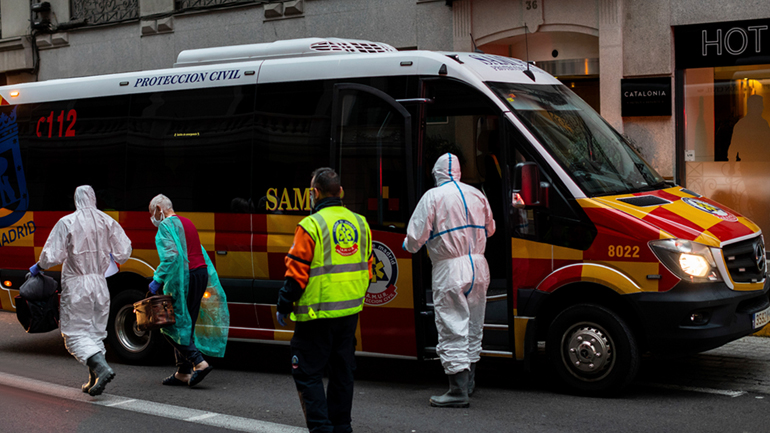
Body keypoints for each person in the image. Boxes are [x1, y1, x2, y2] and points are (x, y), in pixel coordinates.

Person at [276, 167, 373, 433]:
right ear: (340, 192)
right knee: (342, 373)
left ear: (315, 193)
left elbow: (296, 274)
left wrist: (284, 305)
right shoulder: (361, 223)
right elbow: (368, 268)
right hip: (349, 313)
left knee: (307, 374)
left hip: (317, 316)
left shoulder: (311, 225)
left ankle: (321, 430)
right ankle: (342, 427)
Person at [403, 153, 495, 408]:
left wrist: (409, 243)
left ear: (437, 174)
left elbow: (414, 240)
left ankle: (457, 391)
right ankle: (470, 383)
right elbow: (491, 229)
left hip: (450, 268)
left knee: (452, 325)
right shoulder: (477, 194)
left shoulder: (433, 196)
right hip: (478, 265)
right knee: (474, 324)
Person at [29, 185, 132, 396]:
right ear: (94, 198)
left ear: (76, 199)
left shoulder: (67, 222)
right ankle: (94, 378)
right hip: (100, 284)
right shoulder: (107, 221)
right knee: (95, 331)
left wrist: (39, 266)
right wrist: (109, 257)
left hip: (77, 285)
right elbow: (124, 250)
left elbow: (52, 255)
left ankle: (101, 368)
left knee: (74, 334)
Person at [148, 194, 229, 387]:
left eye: (152, 212)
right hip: (200, 274)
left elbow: (171, 257)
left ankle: (198, 362)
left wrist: (157, 280)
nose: (152, 217)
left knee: (169, 323)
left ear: (159, 209)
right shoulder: (188, 222)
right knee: (187, 322)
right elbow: (198, 251)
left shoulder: (166, 226)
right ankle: (183, 371)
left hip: (186, 277)